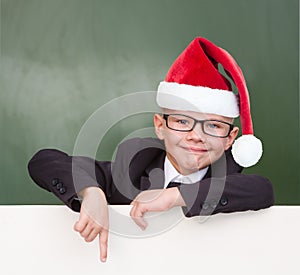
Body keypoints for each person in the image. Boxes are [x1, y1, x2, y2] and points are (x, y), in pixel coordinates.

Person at [28, 37, 274, 263]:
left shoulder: (229, 179)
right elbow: (45, 161)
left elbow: (263, 190)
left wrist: (176, 196)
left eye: (213, 126)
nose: (196, 136)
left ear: (230, 139)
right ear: (160, 126)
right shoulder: (133, 169)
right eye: (182, 121)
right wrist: (91, 193)